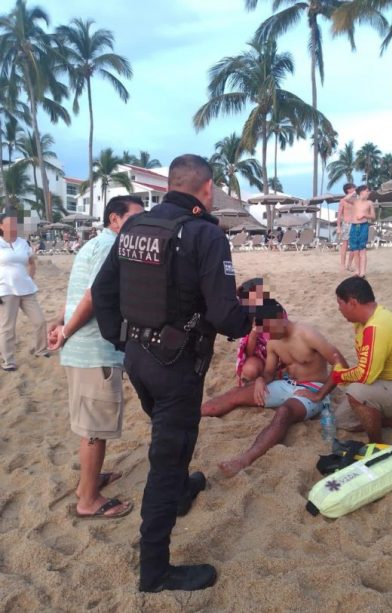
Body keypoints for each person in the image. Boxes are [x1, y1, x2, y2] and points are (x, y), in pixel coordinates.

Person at [92, 154, 251, 592]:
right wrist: (251, 315)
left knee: (170, 442)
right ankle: (155, 571)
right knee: (167, 458)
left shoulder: (133, 228)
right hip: (177, 366)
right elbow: (226, 317)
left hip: (138, 362)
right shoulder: (206, 234)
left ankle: (182, 490)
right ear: (206, 189)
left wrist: (122, 342)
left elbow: (103, 292)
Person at [47, 196, 145, 519]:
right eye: (135, 217)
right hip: (93, 351)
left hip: (81, 350)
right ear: (115, 219)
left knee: (92, 423)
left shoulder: (91, 245)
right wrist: (65, 332)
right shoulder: (110, 247)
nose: (139, 224)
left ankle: (89, 481)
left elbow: (77, 293)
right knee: (95, 429)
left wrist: (62, 323)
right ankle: (88, 499)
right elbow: (92, 296)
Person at [201, 299, 348, 476]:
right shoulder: (273, 340)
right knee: (236, 393)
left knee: (284, 412)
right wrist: (262, 380)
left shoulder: (308, 335)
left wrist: (321, 394)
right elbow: (269, 372)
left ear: (280, 318)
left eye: (268, 329)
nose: (267, 335)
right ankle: (192, 414)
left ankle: (244, 460)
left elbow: (341, 364)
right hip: (287, 384)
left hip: (312, 387)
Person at [297, 276, 392, 444]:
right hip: (390, 382)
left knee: (356, 393)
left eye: (340, 303)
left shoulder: (376, 328)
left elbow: (365, 374)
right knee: (342, 420)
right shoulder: (364, 321)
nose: (339, 309)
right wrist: (320, 394)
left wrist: (339, 375)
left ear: (353, 302)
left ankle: (377, 445)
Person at [0, 209, 49, 372]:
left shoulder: (23, 243)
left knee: (40, 321)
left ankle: (41, 350)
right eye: (9, 223)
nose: (13, 226)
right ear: (1, 226)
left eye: (15, 223)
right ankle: (8, 361)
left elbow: (31, 262)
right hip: (6, 289)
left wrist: (30, 277)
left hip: (26, 289)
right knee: (8, 328)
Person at [348, 185, 376, 277]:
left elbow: (373, 217)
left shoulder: (369, 203)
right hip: (354, 226)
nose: (368, 193)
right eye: (367, 191)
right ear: (361, 192)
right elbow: (345, 199)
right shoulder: (355, 202)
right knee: (355, 250)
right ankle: (357, 270)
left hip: (363, 225)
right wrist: (355, 192)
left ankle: (362, 272)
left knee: (362, 249)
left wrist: (364, 215)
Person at [337, 182, 356, 272]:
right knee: (345, 245)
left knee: (354, 246)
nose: (355, 188)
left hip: (355, 223)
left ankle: (349, 264)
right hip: (346, 223)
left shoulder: (356, 200)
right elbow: (339, 215)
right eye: (353, 187)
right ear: (348, 190)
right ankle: (342, 265)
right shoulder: (343, 200)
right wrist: (338, 226)